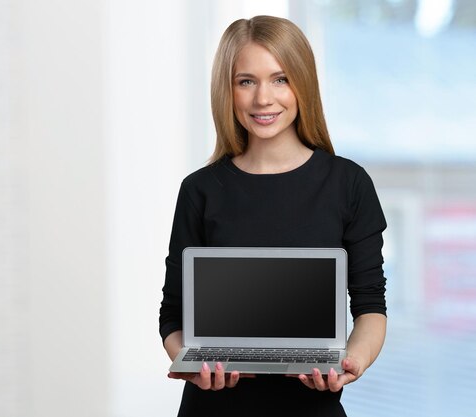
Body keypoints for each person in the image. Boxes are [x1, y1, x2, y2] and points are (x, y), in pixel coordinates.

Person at [159, 15, 387, 416]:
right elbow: (173, 316)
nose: (263, 98)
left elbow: (370, 306)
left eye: (280, 79)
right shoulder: (200, 190)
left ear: (303, 84)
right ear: (227, 90)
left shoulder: (348, 184)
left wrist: (352, 361)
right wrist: (194, 364)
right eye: (246, 81)